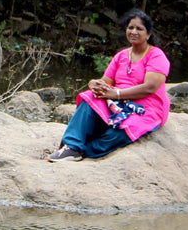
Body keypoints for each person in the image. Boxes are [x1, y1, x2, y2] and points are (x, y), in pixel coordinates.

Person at [48, 9, 171, 162]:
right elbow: (106, 82)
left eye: (139, 28)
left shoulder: (156, 55)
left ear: (148, 34)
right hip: (119, 102)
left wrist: (116, 94)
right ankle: (72, 146)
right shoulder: (121, 56)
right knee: (90, 97)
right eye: (130, 27)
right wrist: (94, 84)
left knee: (126, 129)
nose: (133, 31)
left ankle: (86, 150)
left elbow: (150, 87)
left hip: (146, 107)